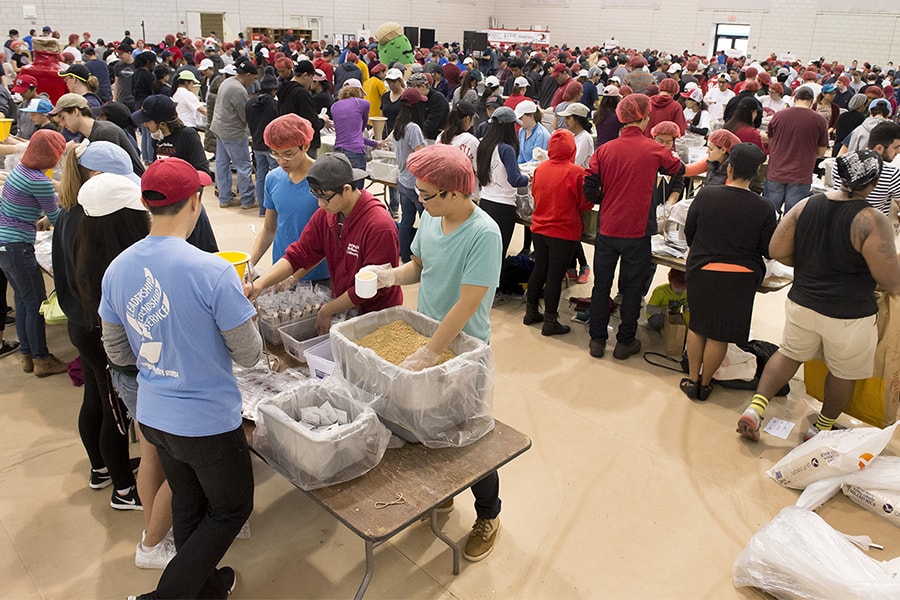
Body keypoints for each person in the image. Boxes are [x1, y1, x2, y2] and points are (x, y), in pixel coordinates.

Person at [100, 158, 261, 598]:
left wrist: (162, 359)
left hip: (154, 414)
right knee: (231, 508)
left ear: (147, 204)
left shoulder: (118, 268)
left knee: (190, 502)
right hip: (205, 422)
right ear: (195, 201)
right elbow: (249, 355)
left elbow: (116, 350)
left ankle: (206, 588)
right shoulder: (213, 271)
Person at [355, 143, 504, 562]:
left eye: (425, 195)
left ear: (455, 192)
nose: (418, 200)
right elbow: (419, 266)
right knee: (428, 426)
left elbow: (468, 303)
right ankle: (441, 496)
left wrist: (431, 353)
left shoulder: (484, 234)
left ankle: (489, 514)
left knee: (472, 438)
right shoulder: (433, 219)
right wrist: (387, 276)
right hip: (427, 337)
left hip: (463, 349)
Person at [737, 150, 900, 443]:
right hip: (849, 314)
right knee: (843, 371)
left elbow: (776, 250)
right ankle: (820, 427)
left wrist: (810, 263)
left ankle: (755, 409)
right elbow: (890, 280)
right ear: (873, 182)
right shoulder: (871, 221)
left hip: (803, 301)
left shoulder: (806, 204)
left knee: (788, 354)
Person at [54, 143, 144, 511]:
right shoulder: (90, 222)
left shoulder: (70, 211)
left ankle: (101, 468)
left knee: (94, 395)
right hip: (97, 329)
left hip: (80, 323)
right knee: (114, 409)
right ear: (96, 177)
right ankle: (124, 489)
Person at [244, 153, 402, 334]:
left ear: (347, 189)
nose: (320, 204)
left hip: (376, 314)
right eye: (316, 196)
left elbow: (373, 286)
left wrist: (329, 309)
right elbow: (299, 254)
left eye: (325, 197)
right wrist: (259, 284)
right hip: (346, 305)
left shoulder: (379, 226)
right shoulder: (328, 214)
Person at [584, 93, 684, 360]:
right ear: (644, 118)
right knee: (630, 289)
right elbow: (678, 168)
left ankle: (597, 339)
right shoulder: (654, 149)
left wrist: (605, 199)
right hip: (638, 231)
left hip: (608, 227)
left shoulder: (604, 150)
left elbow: (589, 186)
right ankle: (625, 341)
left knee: (601, 286)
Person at [680, 143, 776, 401]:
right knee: (720, 333)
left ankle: (692, 380)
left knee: (698, 326)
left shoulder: (707, 196)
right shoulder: (765, 208)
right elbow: (767, 249)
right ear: (757, 173)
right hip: (742, 278)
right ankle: (707, 383)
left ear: (729, 167)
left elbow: (690, 232)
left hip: (705, 271)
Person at [0, 129, 69, 376]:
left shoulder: (20, 171)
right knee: (36, 303)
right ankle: (42, 359)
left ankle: (28, 355)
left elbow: (22, 208)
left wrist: (35, 220)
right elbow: (57, 217)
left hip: (5, 246)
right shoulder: (38, 180)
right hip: (18, 247)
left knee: (23, 301)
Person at [523, 129, 592, 336]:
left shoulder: (540, 169)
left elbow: (535, 193)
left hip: (539, 228)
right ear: (572, 148)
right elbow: (585, 204)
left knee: (539, 269)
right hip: (563, 232)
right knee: (555, 276)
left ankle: (531, 312)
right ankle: (550, 322)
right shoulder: (577, 172)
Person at [131, 95, 219, 252]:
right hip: (163, 210)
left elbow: (203, 172)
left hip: (185, 209)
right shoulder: (156, 138)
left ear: (162, 123)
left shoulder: (188, 136)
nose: (144, 124)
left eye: (147, 120)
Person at [248, 114, 330, 283]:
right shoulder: (273, 179)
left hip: (320, 274)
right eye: (275, 154)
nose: (281, 161)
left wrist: (294, 277)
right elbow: (269, 229)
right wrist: (250, 264)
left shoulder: (324, 179)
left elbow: (329, 238)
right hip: (282, 267)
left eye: (288, 154)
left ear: (305, 145)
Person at [764, 86, 829, 216]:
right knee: (792, 219)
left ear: (795, 98)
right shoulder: (819, 120)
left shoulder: (778, 116)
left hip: (776, 171)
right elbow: (821, 152)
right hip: (801, 174)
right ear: (812, 101)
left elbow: (770, 144)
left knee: (769, 215)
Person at [476, 107, 529, 259]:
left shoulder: (485, 145)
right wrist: (530, 178)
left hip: (485, 202)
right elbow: (515, 180)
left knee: (485, 252)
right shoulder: (507, 149)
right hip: (503, 206)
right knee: (499, 253)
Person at [51, 92, 144, 175]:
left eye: (63, 118)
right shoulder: (85, 137)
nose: (62, 124)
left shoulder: (105, 132)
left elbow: (110, 175)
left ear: (75, 111)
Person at [209, 59, 258, 210]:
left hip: (219, 128)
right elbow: (244, 115)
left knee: (222, 164)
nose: (253, 82)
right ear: (248, 75)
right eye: (254, 79)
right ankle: (247, 199)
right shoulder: (238, 89)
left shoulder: (227, 81)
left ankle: (224, 198)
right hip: (233, 132)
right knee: (243, 165)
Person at [831, 120, 900, 217]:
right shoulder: (892, 174)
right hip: (873, 227)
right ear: (879, 148)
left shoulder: (840, 164)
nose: (898, 152)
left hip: (840, 224)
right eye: (896, 147)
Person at [393, 87, 428, 263]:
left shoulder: (399, 126)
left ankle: (404, 256)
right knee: (427, 223)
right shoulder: (413, 128)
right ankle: (424, 259)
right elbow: (421, 156)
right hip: (415, 184)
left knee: (406, 220)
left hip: (403, 181)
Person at [246, 67, 280, 216]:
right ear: (273, 89)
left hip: (257, 144)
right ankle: (275, 209)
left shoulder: (250, 103)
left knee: (260, 175)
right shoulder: (273, 104)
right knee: (277, 176)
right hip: (271, 146)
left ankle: (262, 208)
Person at [332, 78, 380, 185]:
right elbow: (360, 130)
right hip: (356, 152)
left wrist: (375, 143)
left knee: (342, 187)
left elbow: (351, 134)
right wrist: (375, 143)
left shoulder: (334, 106)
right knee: (357, 191)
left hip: (338, 151)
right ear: (359, 91)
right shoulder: (363, 104)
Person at [278, 60, 329, 158]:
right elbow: (310, 122)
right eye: (311, 78)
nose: (311, 82)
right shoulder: (301, 93)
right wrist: (323, 120)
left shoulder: (282, 90)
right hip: (304, 142)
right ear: (305, 75)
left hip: (288, 139)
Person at [436, 101, 480, 178]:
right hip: (466, 187)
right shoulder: (471, 141)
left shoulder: (441, 136)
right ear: (467, 118)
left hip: (444, 184)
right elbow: (478, 168)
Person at [831, 93, 869, 158]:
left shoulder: (842, 116)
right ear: (862, 105)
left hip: (837, 148)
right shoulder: (862, 119)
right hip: (850, 150)